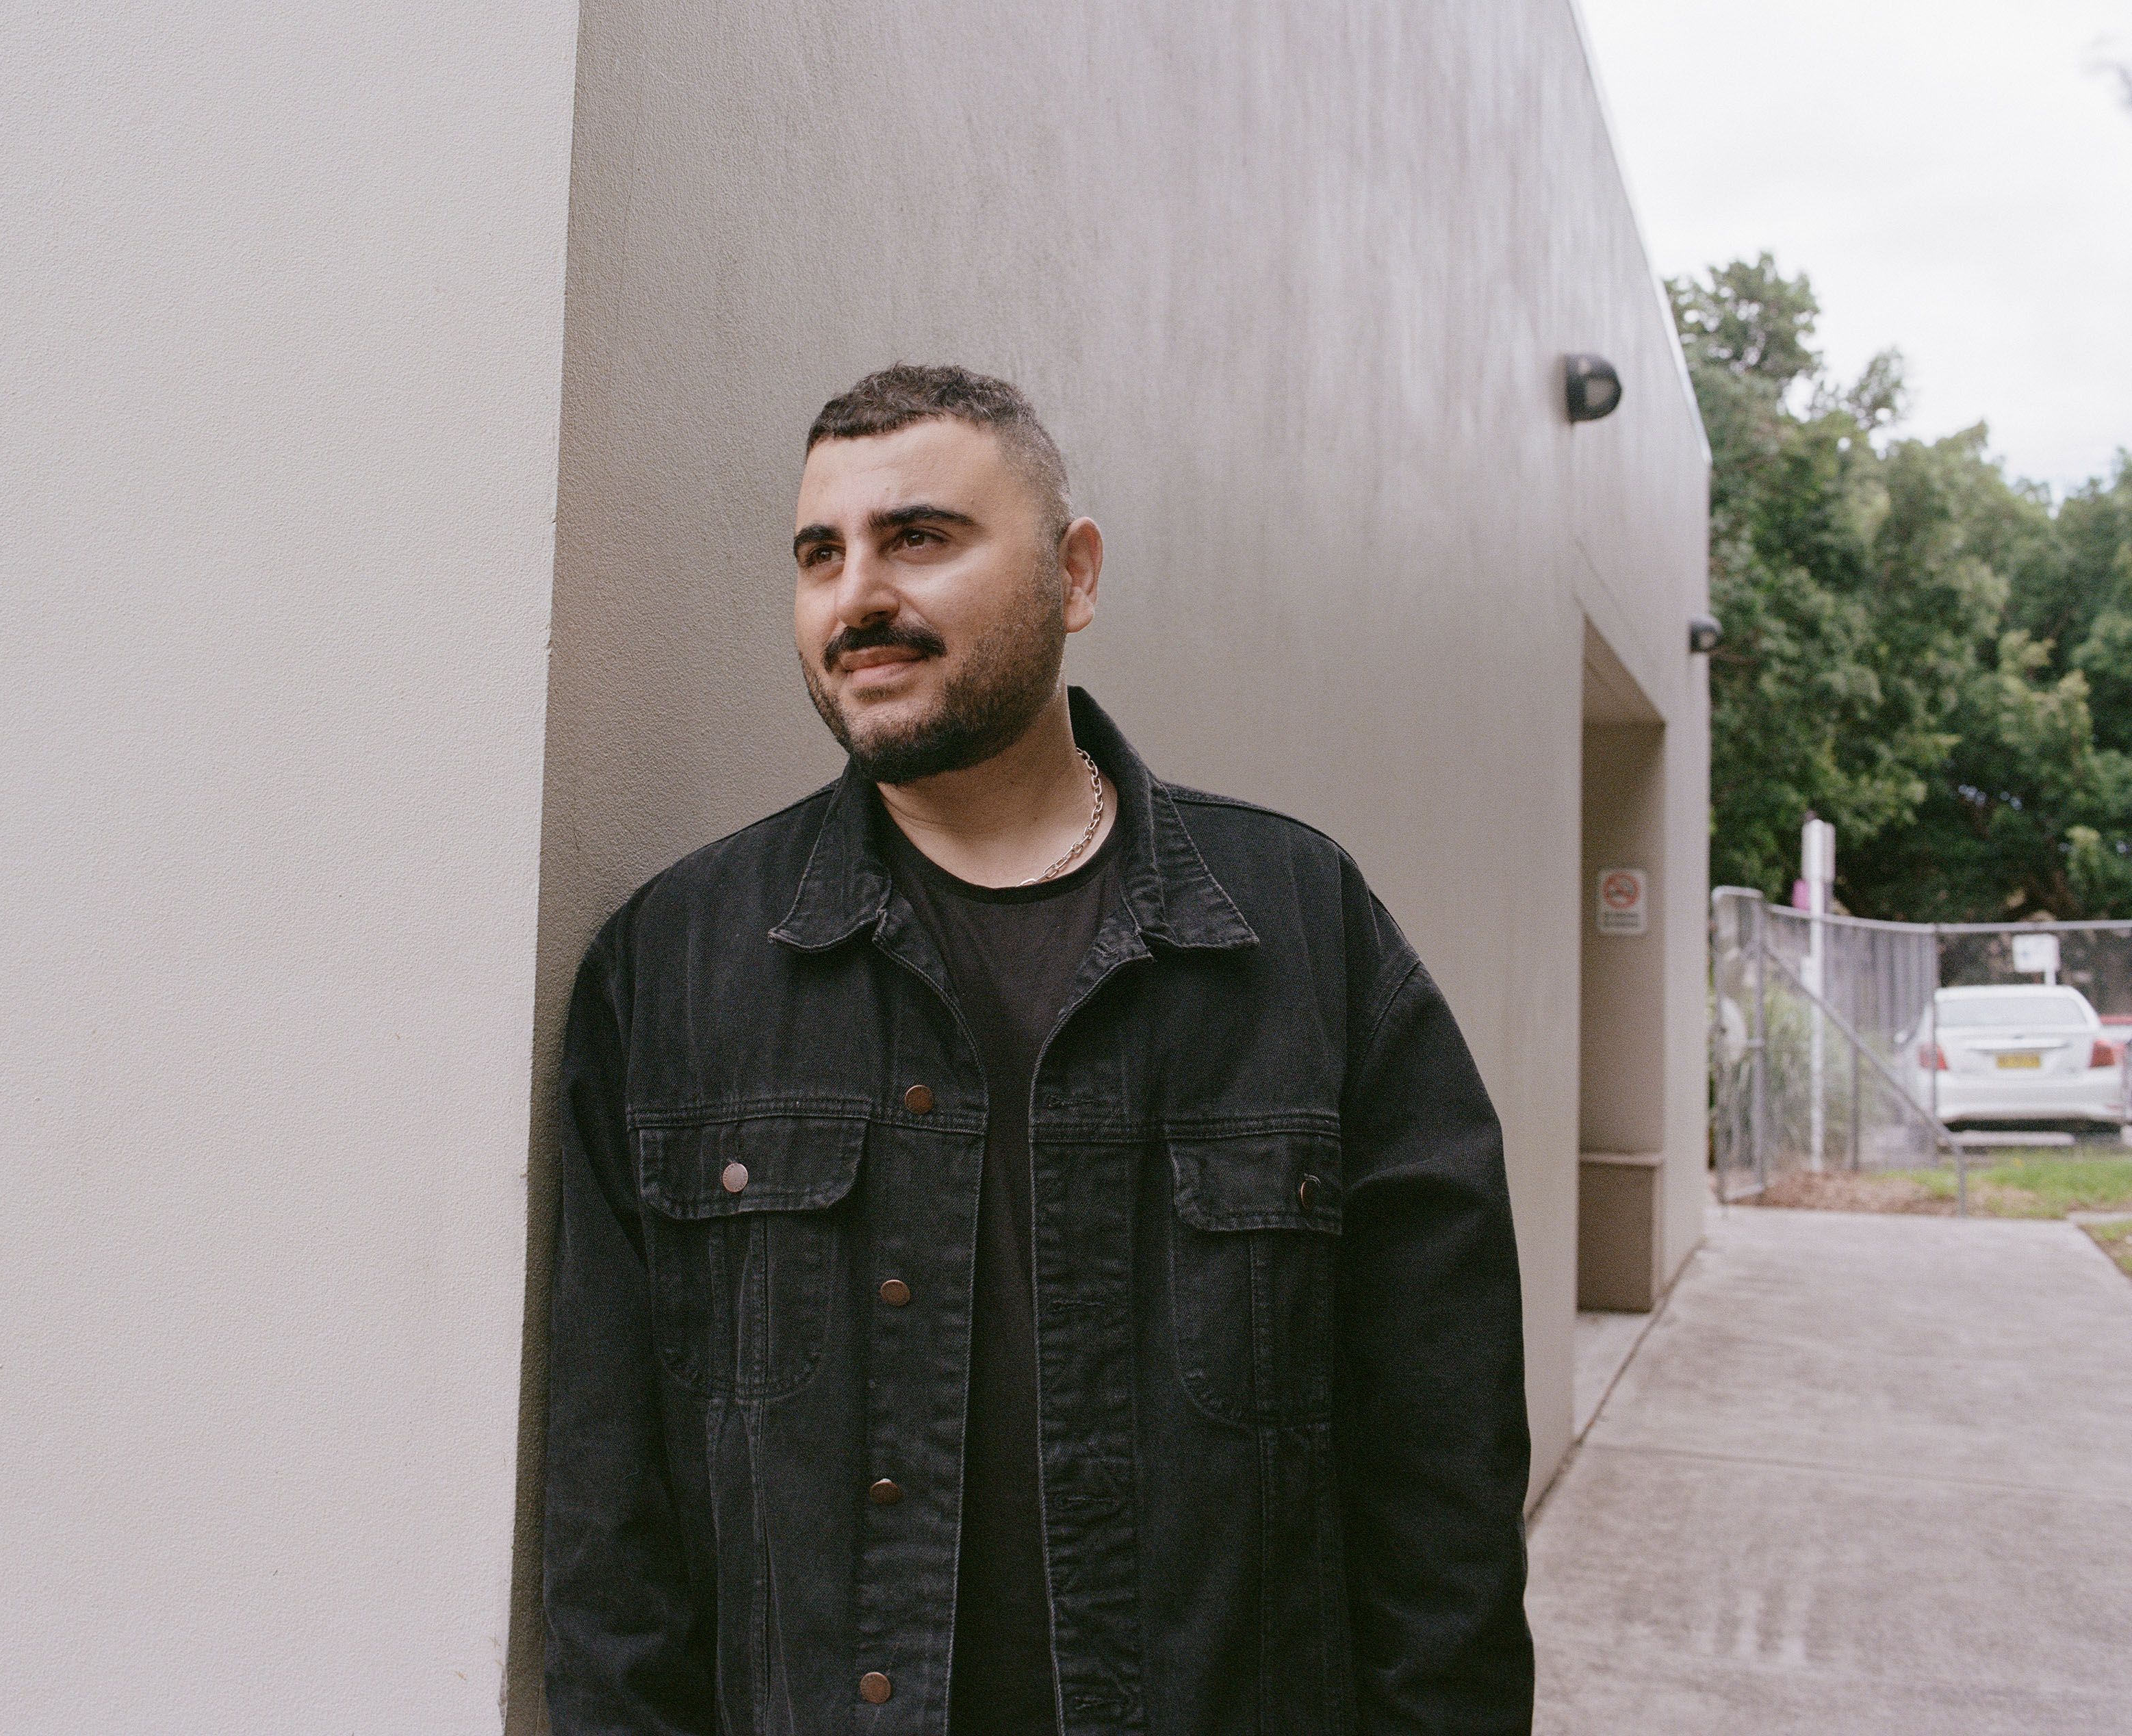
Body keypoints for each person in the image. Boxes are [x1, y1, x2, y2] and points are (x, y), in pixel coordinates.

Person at [543, 365, 1534, 1733]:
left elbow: (1444, 1475)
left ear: (1074, 575)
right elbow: (611, 1525)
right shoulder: (677, 967)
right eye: (821, 554)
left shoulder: (1301, 932)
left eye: (922, 538)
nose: (858, 598)